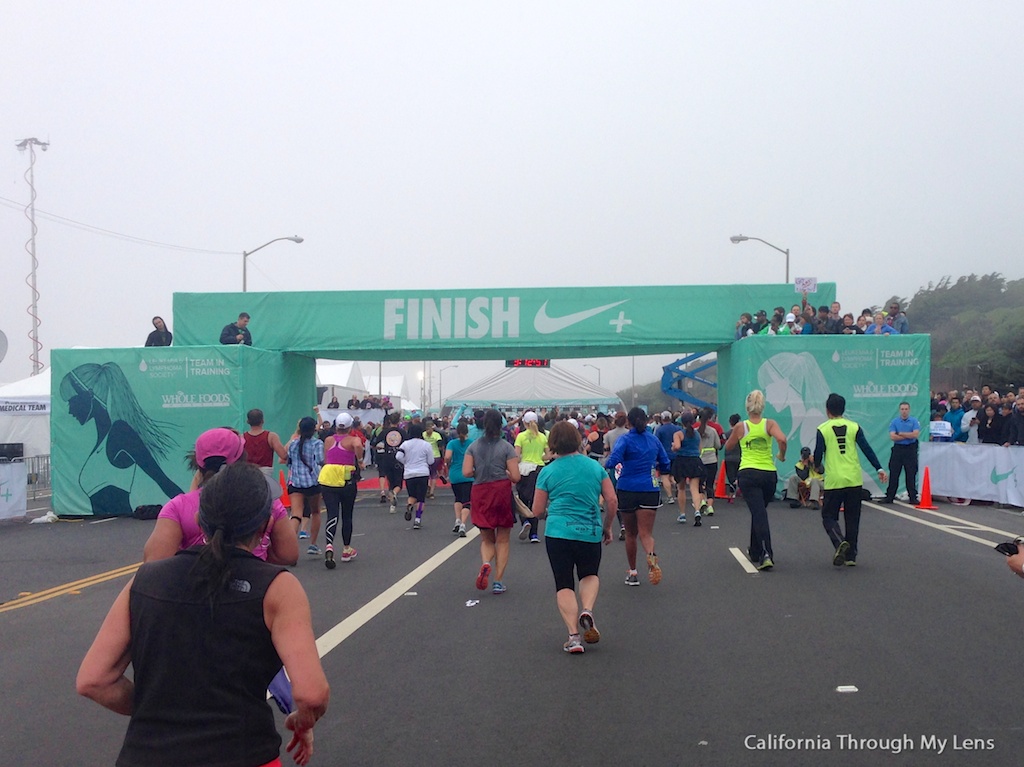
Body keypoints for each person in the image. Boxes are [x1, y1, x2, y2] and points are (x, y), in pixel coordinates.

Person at [77, 461, 329, 767]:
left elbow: (93, 679)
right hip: (243, 752)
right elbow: (312, 694)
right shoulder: (277, 588)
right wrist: (303, 721)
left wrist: (160, 711)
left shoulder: (144, 581)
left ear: (199, 518)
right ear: (264, 525)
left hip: (147, 755)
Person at [143, 427, 298, 567]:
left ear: (198, 463)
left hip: (194, 591)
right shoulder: (266, 500)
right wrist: (259, 553)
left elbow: (155, 562)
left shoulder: (178, 507)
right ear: (242, 458)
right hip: (253, 587)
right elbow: (288, 554)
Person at [531, 422, 618, 654]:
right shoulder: (594, 467)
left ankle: (573, 637)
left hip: (558, 532)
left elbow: (537, 510)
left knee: (564, 582)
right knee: (589, 574)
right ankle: (587, 609)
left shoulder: (548, 471)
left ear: (553, 444)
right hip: (589, 529)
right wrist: (607, 526)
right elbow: (611, 500)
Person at [58, 362, 184, 516]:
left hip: (119, 527)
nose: (70, 410)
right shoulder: (104, 439)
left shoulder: (120, 433)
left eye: (72, 401)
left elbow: (161, 479)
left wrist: (192, 509)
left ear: (89, 395)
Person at [813, 393, 887, 567]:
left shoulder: (823, 429)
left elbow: (818, 453)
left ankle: (840, 543)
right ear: (843, 409)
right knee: (853, 517)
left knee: (828, 515)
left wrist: (817, 466)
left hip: (835, 480)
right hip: (854, 478)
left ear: (827, 410)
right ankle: (851, 556)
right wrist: (879, 468)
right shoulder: (854, 427)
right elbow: (866, 448)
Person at [605, 407, 671, 586]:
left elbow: (613, 460)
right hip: (650, 487)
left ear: (629, 422)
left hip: (627, 488)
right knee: (646, 533)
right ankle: (651, 556)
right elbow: (665, 463)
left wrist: (606, 463)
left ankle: (633, 572)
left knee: (631, 534)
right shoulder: (653, 440)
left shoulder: (624, 440)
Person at [723, 390, 787, 571]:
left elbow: (728, 446)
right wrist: (781, 455)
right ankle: (755, 550)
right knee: (759, 511)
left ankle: (767, 553)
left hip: (749, 473)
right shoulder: (770, 424)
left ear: (747, 406)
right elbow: (782, 439)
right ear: (763, 406)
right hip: (768, 474)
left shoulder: (741, 426)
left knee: (759, 513)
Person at [463, 409, 521, 594]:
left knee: (487, 538)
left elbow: (466, 472)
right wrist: (504, 472)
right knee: (503, 539)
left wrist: (478, 471)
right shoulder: (506, 447)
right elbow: (516, 477)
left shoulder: (473, 446)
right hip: (501, 491)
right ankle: (498, 581)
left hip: (480, 491)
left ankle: (486, 562)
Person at [318, 413, 363, 568]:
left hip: (328, 478)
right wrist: (360, 460)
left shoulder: (328, 440)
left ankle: (329, 545)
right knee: (347, 514)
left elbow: (326, 458)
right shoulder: (352, 440)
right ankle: (346, 549)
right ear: (350, 427)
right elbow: (357, 445)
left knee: (332, 514)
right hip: (346, 480)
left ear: (336, 426)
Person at [286, 416, 324, 555]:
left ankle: (289, 546)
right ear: (314, 429)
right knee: (315, 512)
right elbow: (320, 461)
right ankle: (312, 544)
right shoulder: (317, 443)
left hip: (295, 482)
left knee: (296, 514)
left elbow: (288, 461)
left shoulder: (293, 444)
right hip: (312, 482)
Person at [514, 411, 549, 543]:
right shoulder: (542, 437)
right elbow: (548, 455)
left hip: (524, 469)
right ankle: (534, 534)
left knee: (522, 500)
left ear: (524, 422)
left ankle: (525, 521)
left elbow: (516, 456)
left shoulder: (521, 436)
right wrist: (538, 457)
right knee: (536, 501)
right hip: (539, 469)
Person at [879, 401, 920, 505]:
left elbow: (915, 435)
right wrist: (907, 435)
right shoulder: (894, 422)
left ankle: (912, 497)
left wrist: (901, 434)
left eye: (906, 409)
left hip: (910, 449)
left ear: (909, 410)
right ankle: (889, 497)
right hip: (898, 450)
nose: (904, 411)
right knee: (894, 474)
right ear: (899, 410)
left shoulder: (914, 421)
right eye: (902, 409)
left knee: (911, 474)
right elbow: (892, 437)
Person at [396, 423, 433, 529]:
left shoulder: (405, 444)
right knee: (421, 498)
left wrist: (406, 462)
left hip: (409, 473)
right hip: (423, 472)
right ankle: (417, 519)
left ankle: (409, 505)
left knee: (412, 496)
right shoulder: (426, 445)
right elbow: (430, 461)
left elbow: (398, 456)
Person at [671, 412, 705, 526]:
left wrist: (673, 447)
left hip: (682, 460)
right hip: (695, 460)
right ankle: (697, 511)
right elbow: (700, 449)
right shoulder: (697, 434)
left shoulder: (678, 434)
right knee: (694, 488)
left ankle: (682, 514)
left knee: (681, 488)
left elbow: (677, 446)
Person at [445, 421, 476, 537]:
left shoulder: (452, 443)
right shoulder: (472, 443)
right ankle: (463, 524)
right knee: (467, 501)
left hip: (455, 473)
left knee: (457, 498)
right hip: (468, 474)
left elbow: (447, 456)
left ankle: (457, 520)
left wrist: (448, 463)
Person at [372, 412, 406, 511]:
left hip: (387, 458)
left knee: (390, 482)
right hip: (399, 459)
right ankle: (394, 494)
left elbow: (375, 443)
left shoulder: (385, 432)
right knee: (398, 483)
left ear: (390, 421)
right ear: (399, 421)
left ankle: (392, 505)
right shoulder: (402, 432)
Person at [244, 408, 289, 477]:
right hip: (266, 473)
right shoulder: (271, 437)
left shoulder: (242, 438)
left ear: (248, 421)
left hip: (248, 473)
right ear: (262, 421)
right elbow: (284, 456)